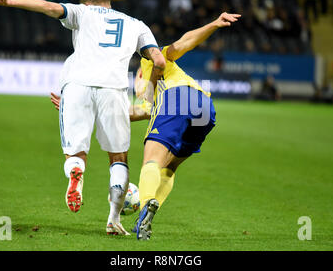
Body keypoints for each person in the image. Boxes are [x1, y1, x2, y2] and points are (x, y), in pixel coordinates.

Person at [0, 0, 166, 236]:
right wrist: (149, 89)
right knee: (118, 158)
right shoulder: (136, 24)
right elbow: (159, 60)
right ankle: (113, 220)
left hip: (77, 86)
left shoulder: (82, 12)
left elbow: (49, 7)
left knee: (76, 153)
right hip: (114, 90)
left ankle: (76, 174)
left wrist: (11, 3)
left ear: (87, 3)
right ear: (108, 4)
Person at [50, 12, 241, 240]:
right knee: (170, 167)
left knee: (151, 162)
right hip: (204, 106)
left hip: (177, 98)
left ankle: (145, 206)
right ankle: (151, 208)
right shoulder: (151, 82)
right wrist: (81, 106)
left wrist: (213, 24)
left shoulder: (151, 59)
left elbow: (184, 43)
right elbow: (140, 110)